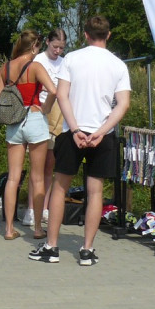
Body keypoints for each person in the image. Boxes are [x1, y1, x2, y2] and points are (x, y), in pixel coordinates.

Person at [30, 16, 131, 266]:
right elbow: (123, 104)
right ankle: (87, 250)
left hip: (72, 133)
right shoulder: (119, 65)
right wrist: (102, 130)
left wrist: (75, 129)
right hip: (102, 136)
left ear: (85, 35)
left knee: (60, 187)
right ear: (108, 35)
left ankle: (51, 247)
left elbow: (62, 95)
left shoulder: (72, 59)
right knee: (95, 192)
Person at [0, 30, 57, 241]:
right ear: (33, 47)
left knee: (13, 177)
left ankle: (9, 229)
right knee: (37, 177)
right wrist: (45, 109)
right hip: (34, 117)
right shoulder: (36, 66)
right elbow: (54, 91)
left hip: (13, 123)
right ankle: (38, 228)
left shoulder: (6, 68)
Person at [28, 28, 67, 225]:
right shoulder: (39, 61)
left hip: (57, 115)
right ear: (48, 44)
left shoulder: (65, 63)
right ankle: (30, 208)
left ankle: (44, 208)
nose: (58, 51)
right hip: (39, 111)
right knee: (37, 165)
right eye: (55, 46)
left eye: (61, 48)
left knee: (50, 165)